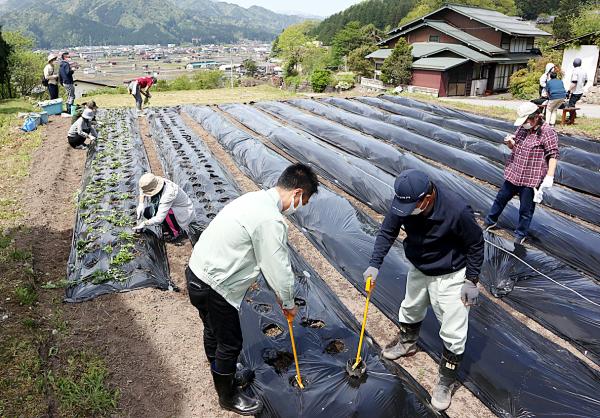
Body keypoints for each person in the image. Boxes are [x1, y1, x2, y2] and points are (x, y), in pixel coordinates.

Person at [186, 163, 319, 415]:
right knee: (230, 343)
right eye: (304, 201)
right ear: (298, 194)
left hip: (196, 272)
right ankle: (227, 397)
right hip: (214, 286)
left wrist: (281, 297)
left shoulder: (254, 198)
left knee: (213, 332)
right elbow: (278, 268)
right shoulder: (270, 220)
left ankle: (222, 373)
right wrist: (288, 303)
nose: (300, 207)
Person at [363, 169, 483, 412]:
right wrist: (374, 265)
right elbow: (388, 231)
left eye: (412, 208)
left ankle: (446, 381)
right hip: (420, 267)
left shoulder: (456, 210)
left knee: (453, 328)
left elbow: (475, 244)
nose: (406, 213)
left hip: (451, 274)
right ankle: (407, 343)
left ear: (427, 199)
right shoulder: (405, 204)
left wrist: (471, 280)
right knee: (410, 308)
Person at [485, 102, 559, 244]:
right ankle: (490, 221)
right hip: (515, 172)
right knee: (501, 199)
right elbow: (516, 147)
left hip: (531, 178)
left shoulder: (547, 132)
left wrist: (550, 176)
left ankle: (520, 234)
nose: (524, 124)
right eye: (523, 121)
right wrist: (509, 143)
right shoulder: (523, 129)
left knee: (526, 210)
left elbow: (553, 155)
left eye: (526, 120)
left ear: (536, 117)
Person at [133, 173, 200, 244]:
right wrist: (141, 204)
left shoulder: (168, 194)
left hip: (183, 211)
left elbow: (159, 218)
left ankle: (176, 233)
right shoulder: (155, 182)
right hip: (170, 207)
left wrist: (144, 223)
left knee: (166, 214)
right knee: (147, 212)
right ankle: (167, 226)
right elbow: (142, 190)